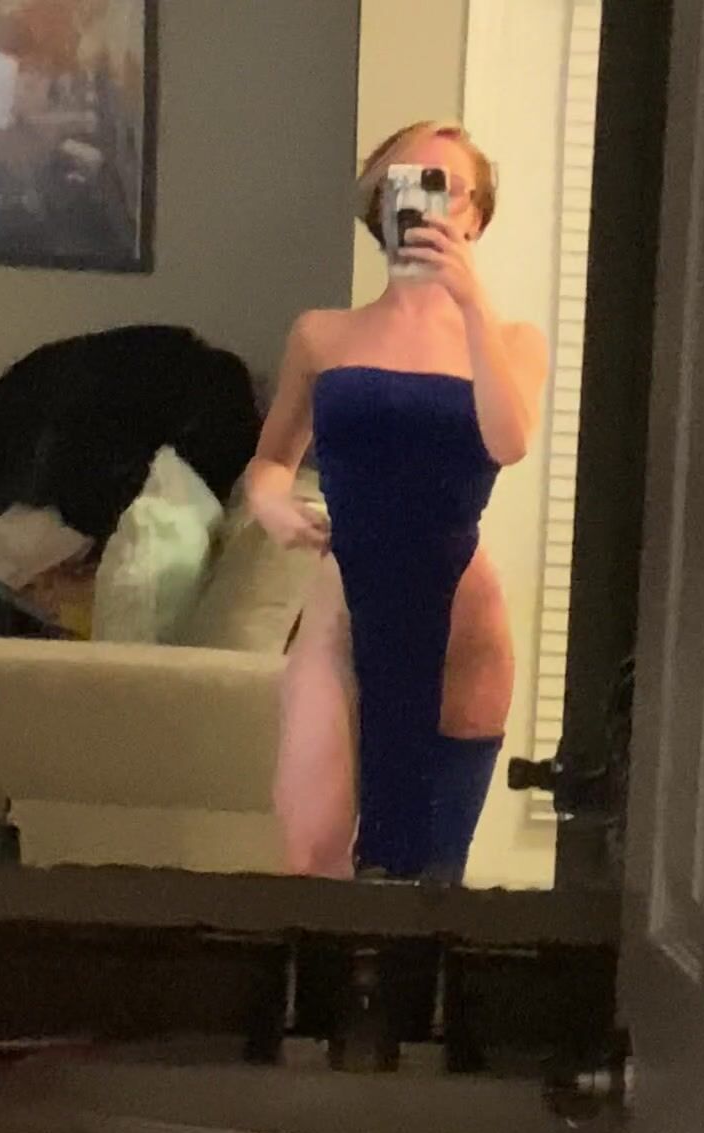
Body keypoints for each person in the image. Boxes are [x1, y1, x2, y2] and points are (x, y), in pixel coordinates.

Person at [245, 121, 547, 882]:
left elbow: (509, 440)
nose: (422, 204)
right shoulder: (322, 336)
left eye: (446, 189)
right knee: (312, 858)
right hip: (343, 602)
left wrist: (469, 302)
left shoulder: (513, 342)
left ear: (476, 216)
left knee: (424, 877)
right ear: (378, 206)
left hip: (462, 620)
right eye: (402, 184)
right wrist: (271, 505)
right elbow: (270, 463)